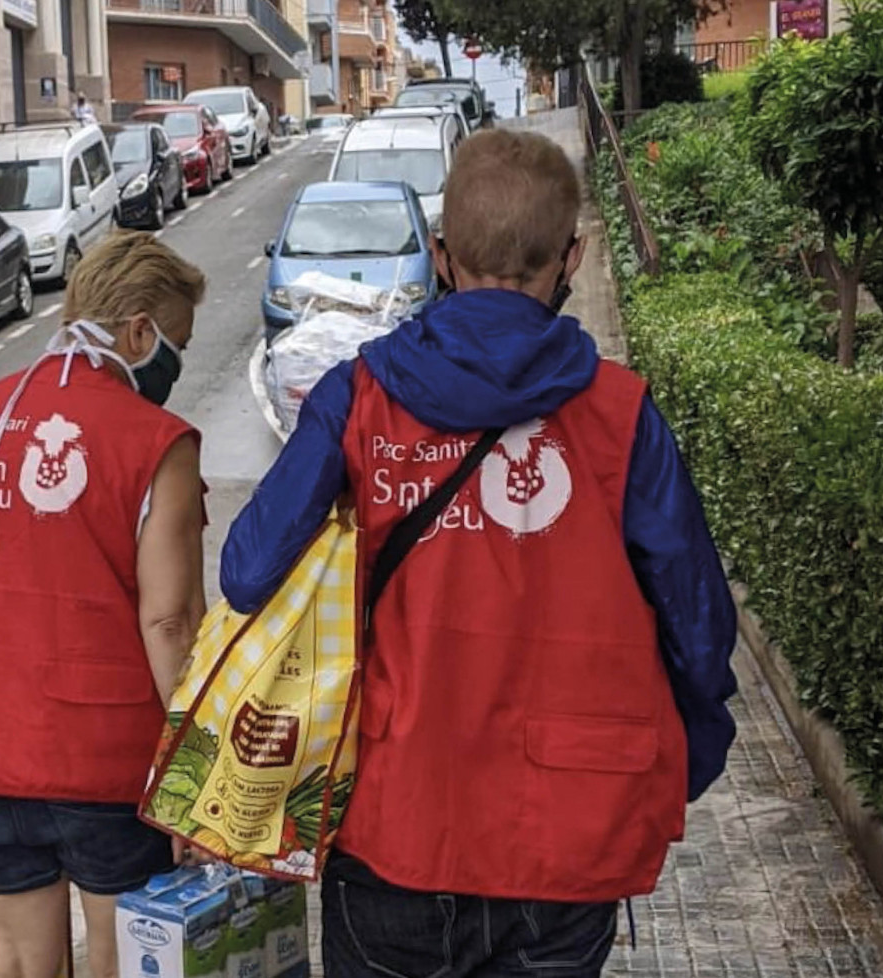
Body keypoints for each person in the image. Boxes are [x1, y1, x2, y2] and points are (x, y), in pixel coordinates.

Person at [220, 129, 738, 977]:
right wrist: (680, 762)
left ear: (439, 255)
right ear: (570, 258)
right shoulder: (620, 414)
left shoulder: (359, 397)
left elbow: (245, 572)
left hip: (395, 829)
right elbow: (696, 626)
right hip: (569, 842)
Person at [0, 231, 207, 978]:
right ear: (139, 331)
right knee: (114, 956)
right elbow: (170, 622)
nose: (175, 362)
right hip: (100, 753)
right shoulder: (155, 441)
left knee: (16, 959)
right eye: (177, 341)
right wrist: (198, 775)